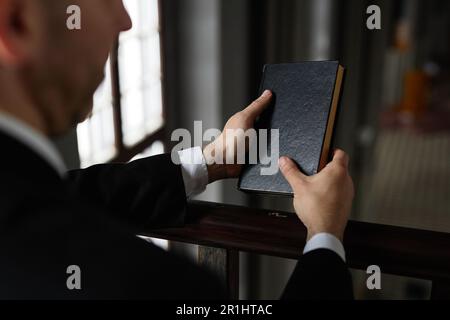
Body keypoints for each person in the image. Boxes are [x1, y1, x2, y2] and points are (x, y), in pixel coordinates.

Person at [0, 0, 354, 299]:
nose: (125, 20)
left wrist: (211, 161)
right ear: (17, 23)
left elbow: (80, 193)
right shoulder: (158, 288)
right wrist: (325, 235)